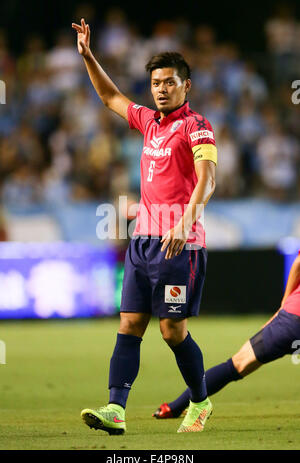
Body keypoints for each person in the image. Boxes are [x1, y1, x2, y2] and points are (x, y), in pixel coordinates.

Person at [72, 18, 217, 435]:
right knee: (130, 324)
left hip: (179, 244)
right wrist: (88, 56)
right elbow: (109, 96)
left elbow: (208, 180)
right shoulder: (148, 122)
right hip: (143, 242)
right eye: (155, 82)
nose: (160, 89)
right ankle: (115, 409)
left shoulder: (197, 126)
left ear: (185, 87)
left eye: (169, 82)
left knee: (173, 331)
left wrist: (184, 224)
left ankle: (200, 402)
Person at [153, 252, 300, 419]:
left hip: (292, 318)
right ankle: (178, 406)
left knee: (237, 364)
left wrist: (284, 304)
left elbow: (298, 262)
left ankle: (175, 407)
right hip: (292, 317)